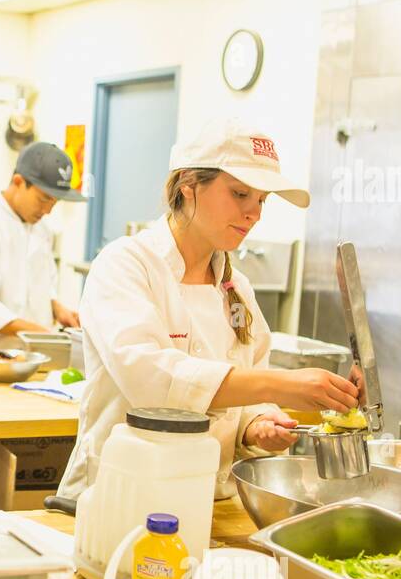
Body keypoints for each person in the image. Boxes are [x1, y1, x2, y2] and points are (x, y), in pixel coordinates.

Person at [58, 118, 362, 501]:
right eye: (239, 194)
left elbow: (246, 391)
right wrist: (286, 385)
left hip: (205, 500)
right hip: (117, 499)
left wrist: (258, 424)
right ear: (188, 184)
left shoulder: (237, 288)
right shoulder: (126, 264)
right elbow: (152, 383)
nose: (254, 214)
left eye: (262, 201)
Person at [0, 141, 85, 341]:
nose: (47, 211)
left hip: (33, 357)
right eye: (44, 199)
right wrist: (45, 335)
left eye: (55, 202)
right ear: (19, 182)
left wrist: (56, 307)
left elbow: (44, 284)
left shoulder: (42, 230)